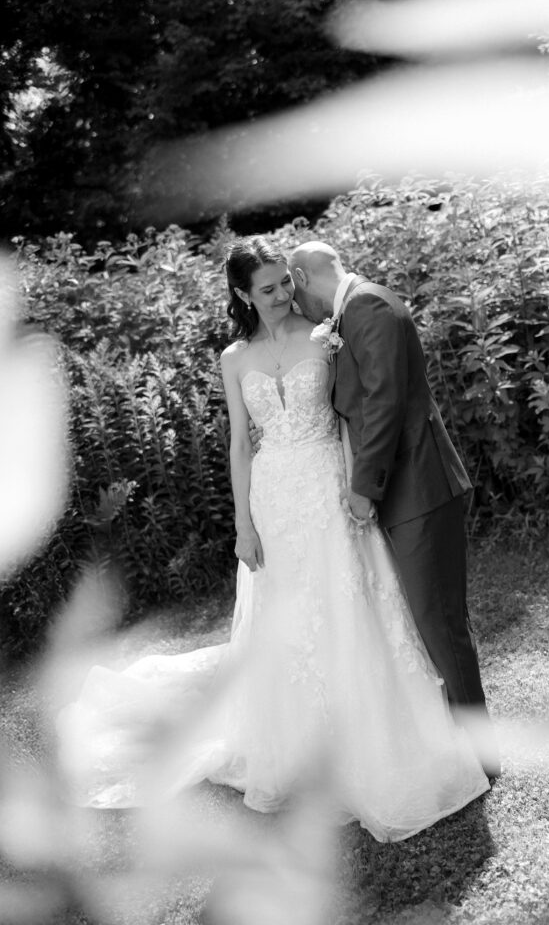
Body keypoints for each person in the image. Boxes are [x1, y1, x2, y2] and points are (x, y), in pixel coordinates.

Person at [56, 237, 489, 841]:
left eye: (287, 281)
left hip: (331, 488)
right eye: (269, 288)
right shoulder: (234, 358)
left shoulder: (324, 333)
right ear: (242, 294)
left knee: (353, 602)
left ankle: (380, 736)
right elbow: (239, 444)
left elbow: (358, 409)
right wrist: (244, 524)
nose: (284, 294)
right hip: (275, 497)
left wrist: (364, 484)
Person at [288, 241, 500, 779]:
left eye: (292, 290)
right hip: (412, 489)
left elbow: (383, 402)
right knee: (433, 621)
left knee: (440, 623)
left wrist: (365, 486)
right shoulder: (358, 307)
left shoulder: (368, 308)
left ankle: (480, 756)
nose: (297, 306)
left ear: (300, 276)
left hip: (419, 488)